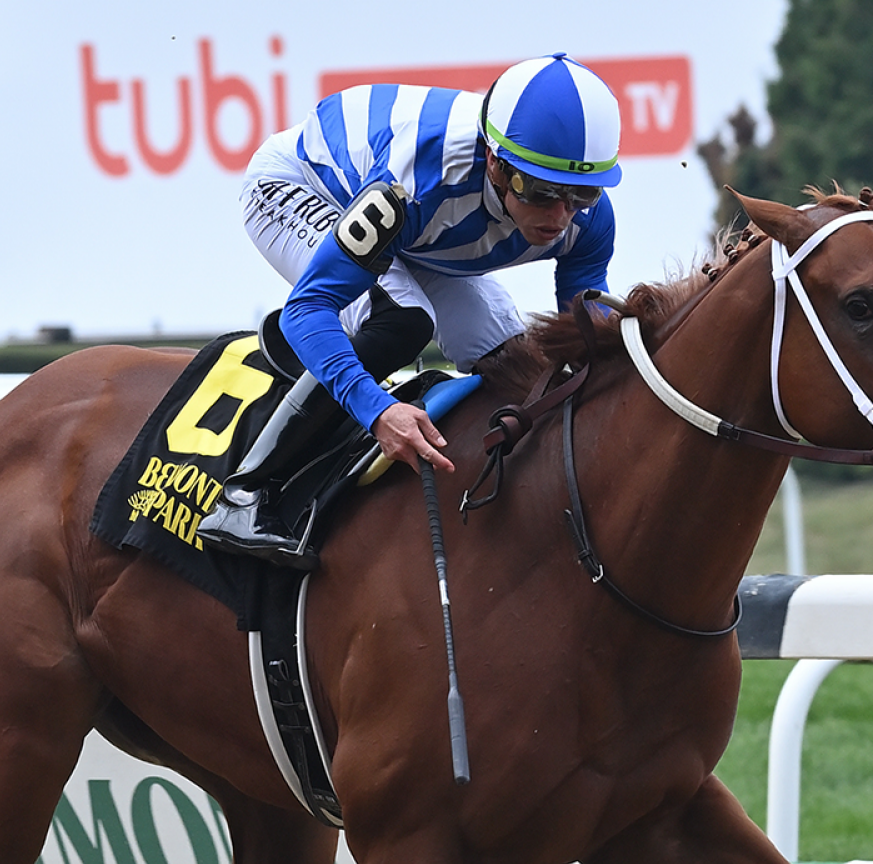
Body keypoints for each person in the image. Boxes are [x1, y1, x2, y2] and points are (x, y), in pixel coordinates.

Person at [198, 53, 623, 564]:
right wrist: (378, 412)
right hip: (304, 186)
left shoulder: (590, 220)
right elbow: (308, 309)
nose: (560, 215)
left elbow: (585, 344)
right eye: (540, 192)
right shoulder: (414, 183)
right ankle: (246, 494)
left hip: (417, 231)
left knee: (514, 361)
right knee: (401, 319)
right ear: (495, 162)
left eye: (580, 193)